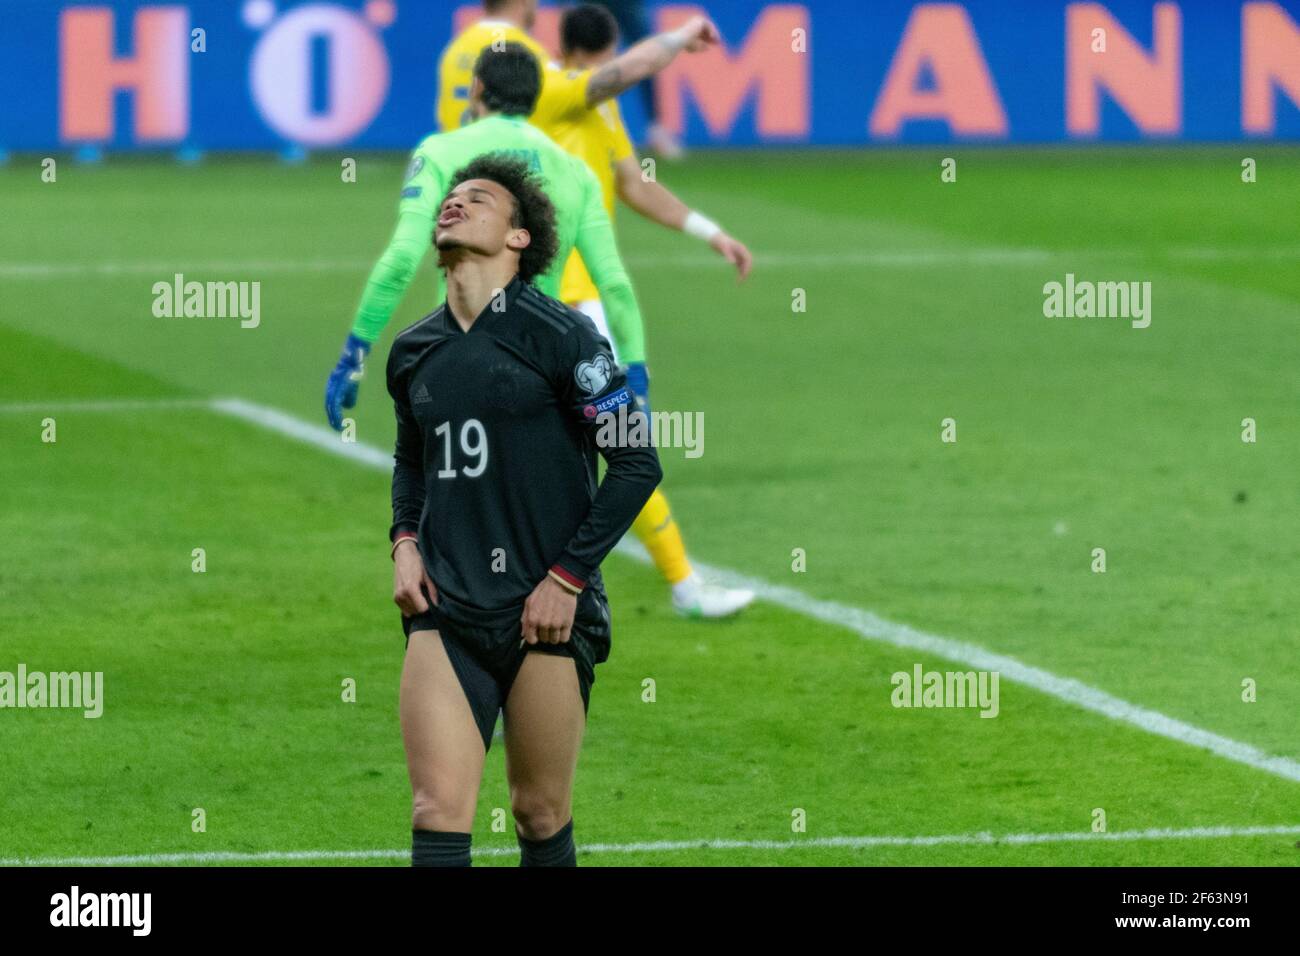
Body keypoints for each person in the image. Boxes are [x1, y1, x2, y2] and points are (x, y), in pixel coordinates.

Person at [389, 154, 661, 867]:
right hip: (445, 610)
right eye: (449, 198)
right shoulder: (413, 351)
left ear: (518, 239)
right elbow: (411, 463)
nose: (454, 204)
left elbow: (637, 460)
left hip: (545, 612)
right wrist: (404, 541)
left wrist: (567, 577)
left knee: (539, 813)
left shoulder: (566, 338)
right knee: (435, 811)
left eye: (477, 199)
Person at [550, 3, 755, 618]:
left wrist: (707, 229)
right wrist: (678, 37)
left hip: (536, 294)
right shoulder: (559, 97)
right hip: (573, 303)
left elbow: (634, 185)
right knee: (622, 441)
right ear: (606, 49)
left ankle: (677, 582)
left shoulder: (579, 105)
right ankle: (679, 585)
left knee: (586, 446)